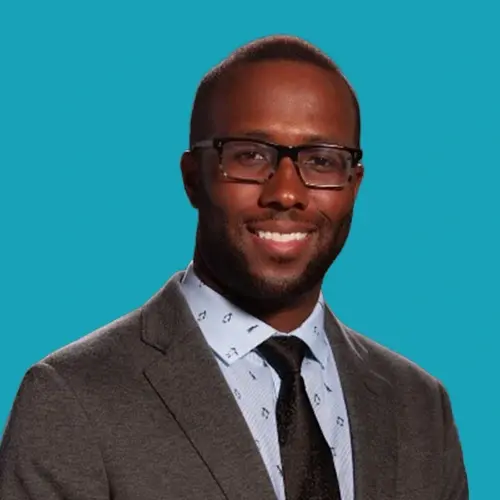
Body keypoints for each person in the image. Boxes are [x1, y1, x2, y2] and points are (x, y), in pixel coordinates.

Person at [0, 35, 468, 500]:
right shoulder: (71, 399)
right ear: (192, 178)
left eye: (322, 161)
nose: (286, 193)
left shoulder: (421, 407)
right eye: (251, 155)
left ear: (354, 184)